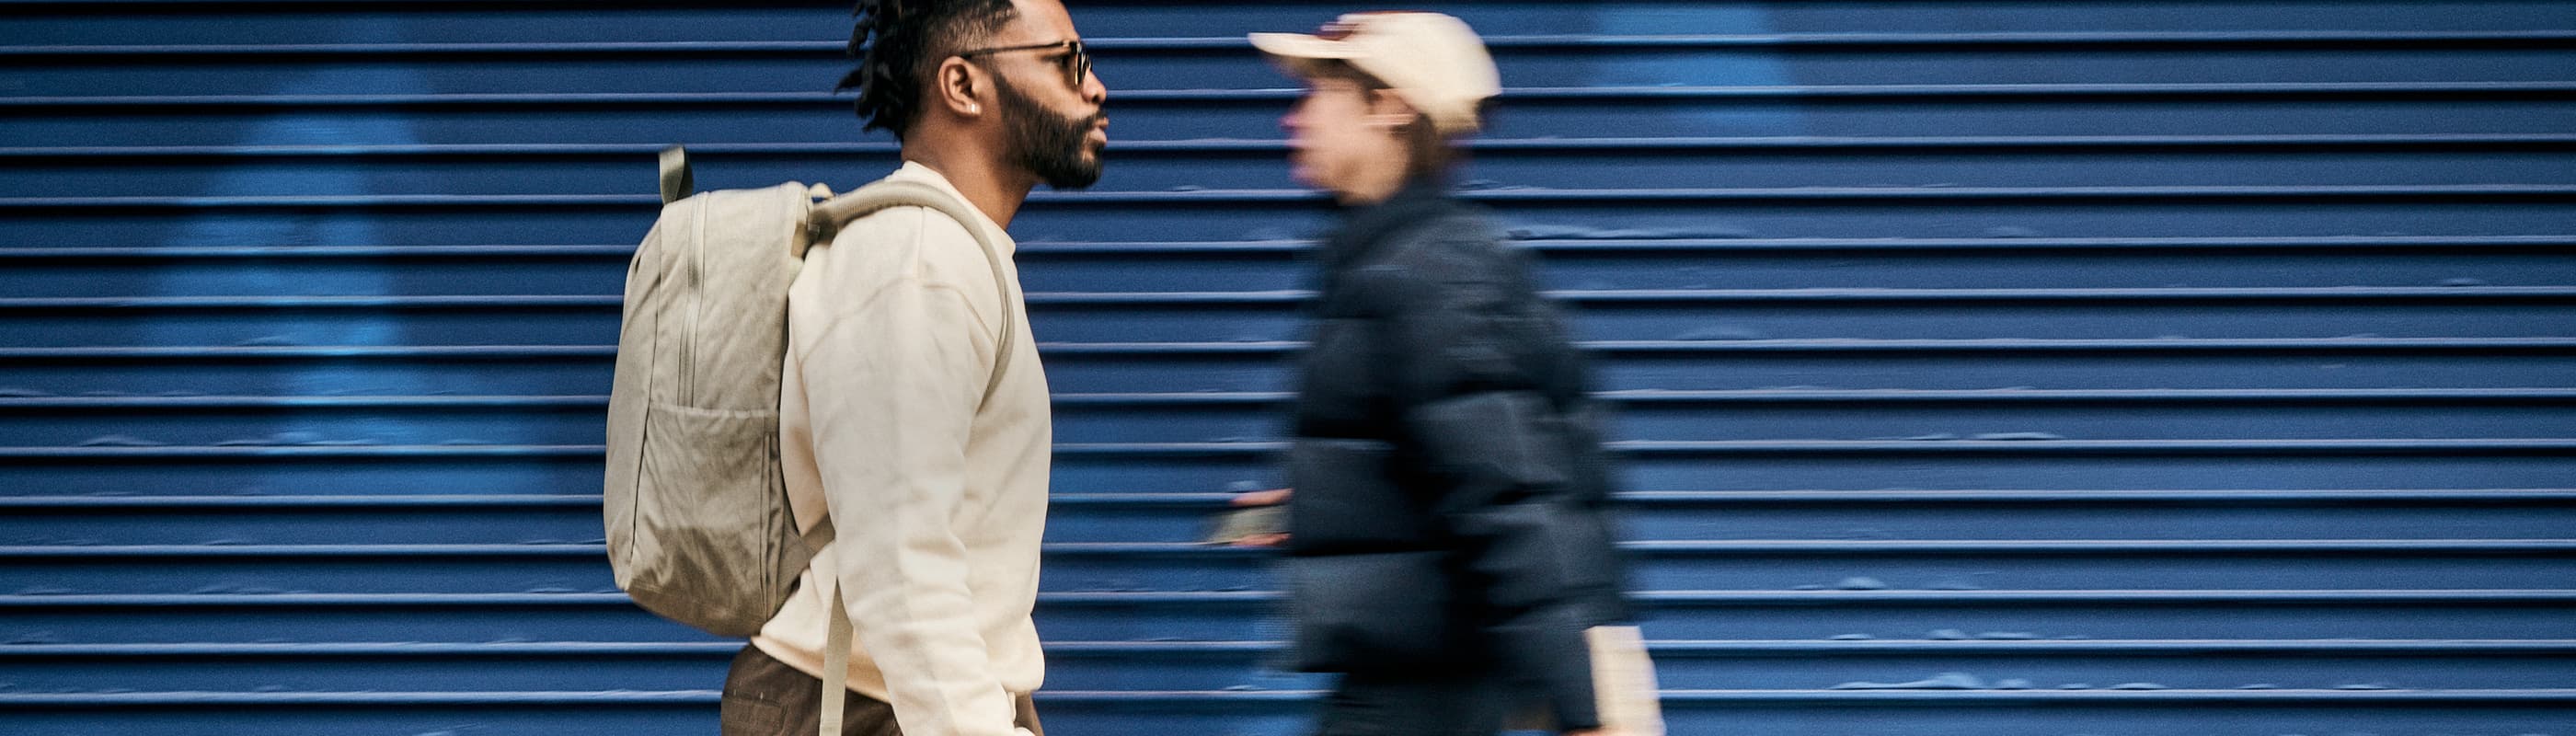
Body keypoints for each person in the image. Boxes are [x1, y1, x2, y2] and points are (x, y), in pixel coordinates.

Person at [1238, 11, 1662, 736]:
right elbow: (1445, 457)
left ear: (1391, 107)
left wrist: (1587, 710)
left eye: (1320, 94)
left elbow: (1517, 498)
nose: (1293, 117)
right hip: (1418, 684)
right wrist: (1326, 501)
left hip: (1434, 700)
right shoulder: (1392, 260)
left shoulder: (1431, 275)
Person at [719, 0, 1106, 734]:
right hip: (868, 705)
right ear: (963, 87)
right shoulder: (918, 265)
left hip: (906, 698)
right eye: (1067, 61)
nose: (1096, 88)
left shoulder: (947, 252)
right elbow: (902, 566)